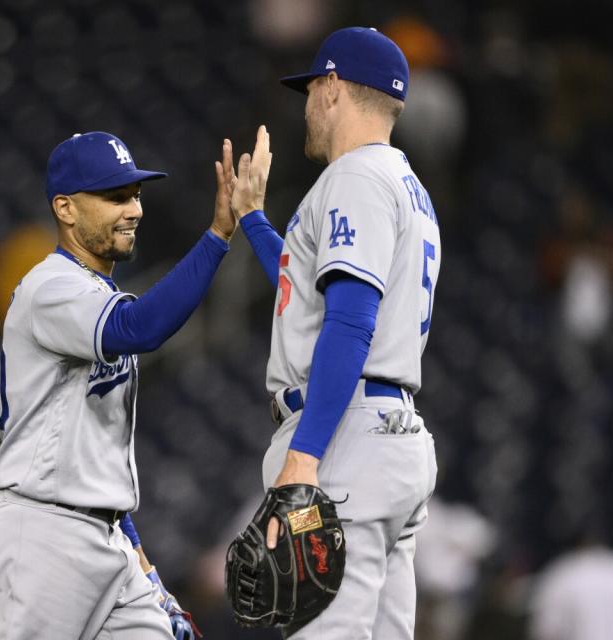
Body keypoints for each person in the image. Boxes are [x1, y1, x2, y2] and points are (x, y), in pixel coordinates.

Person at [0, 130, 241, 639]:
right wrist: (218, 235)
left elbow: (95, 466)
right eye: (115, 197)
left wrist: (147, 570)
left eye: (135, 195)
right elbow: (140, 329)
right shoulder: (51, 287)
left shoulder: (96, 293)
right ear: (66, 209)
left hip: (105, 534)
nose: (134, 209)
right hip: (40, 537)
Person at [230, 27, 441, 639]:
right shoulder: (409, 189)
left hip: (347, 438)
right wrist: (252, 220)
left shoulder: (356, 178)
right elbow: (309, 286)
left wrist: (305, 456)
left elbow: (350, 320)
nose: (305, 106)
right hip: (392, 434)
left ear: (330, 89)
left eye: (309, 91)